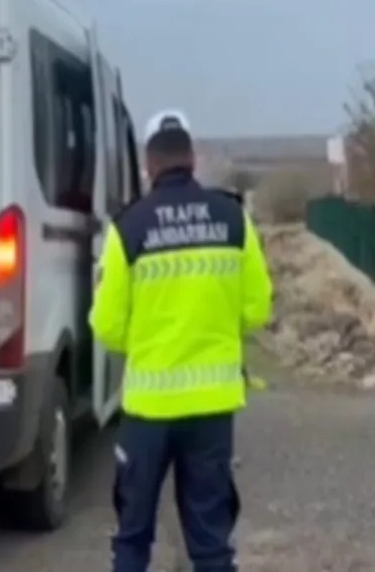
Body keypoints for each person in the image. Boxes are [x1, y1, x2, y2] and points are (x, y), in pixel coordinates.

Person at [90, 109, 273, 572]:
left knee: (132, 538)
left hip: (149, 410)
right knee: (211, 543)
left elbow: (107, 326)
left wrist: (148, 339)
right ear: (191, 158)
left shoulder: (127, 228)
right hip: (212, 407)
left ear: (149, 165)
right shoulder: (233, 218)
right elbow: (257, 309)